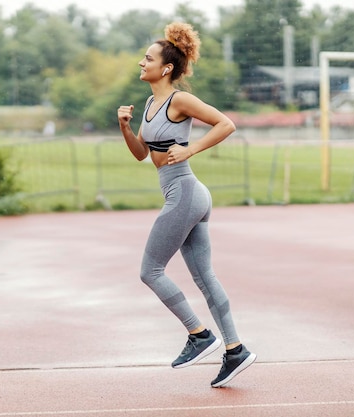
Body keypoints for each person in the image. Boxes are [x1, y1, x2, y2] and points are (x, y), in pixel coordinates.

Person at [117, 22, 256, 388]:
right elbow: (142, 155)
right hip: (186, 194)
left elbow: (225, 124)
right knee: (205, 278)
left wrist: (191, 148)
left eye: (147, 58)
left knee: (151, 271)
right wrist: (126, 128)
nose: (141, 62)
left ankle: (199, 335)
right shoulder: (150, 103)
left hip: (186, 193)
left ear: (166, 68)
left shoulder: (179, 100)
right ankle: (235, 349)